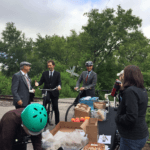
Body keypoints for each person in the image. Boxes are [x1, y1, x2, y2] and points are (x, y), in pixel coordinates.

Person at [115, 65, 149, 150]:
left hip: (132, 137)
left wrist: (118, 118)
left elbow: (131, 117)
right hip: (142, 133)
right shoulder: (142, 89)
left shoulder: (130, 91)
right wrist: (122, 90)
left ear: (128, 76)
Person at [35, 60, 61, 125]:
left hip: (54, 91)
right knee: (44, 104)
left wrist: (59, 86)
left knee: (55, 107)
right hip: (46, 91)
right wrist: (38, 83)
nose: (49, 67)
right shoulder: (45, 73)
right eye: (48, 65)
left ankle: (57, 123)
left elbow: (59, 82)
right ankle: (44, 121)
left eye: (50, 65)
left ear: (53, 65)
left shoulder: (57, 74)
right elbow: (41, 81)